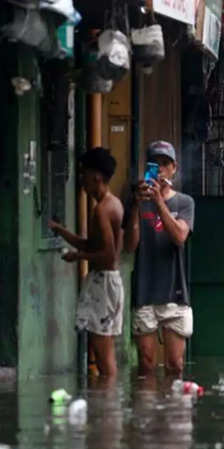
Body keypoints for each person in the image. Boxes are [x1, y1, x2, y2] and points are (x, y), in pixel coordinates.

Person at [49, 147, 124, 377]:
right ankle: (107, 408)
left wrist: (77, 257)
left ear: (96, 177)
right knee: (104, 352)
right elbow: (92, 245)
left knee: (104, 357)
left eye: (84, 174)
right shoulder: (113, 204)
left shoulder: (103, 210)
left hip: (103, 283)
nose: (81, 180)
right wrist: (61, 231)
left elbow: (108, 256)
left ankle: (107, 408)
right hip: (107, 283)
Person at [124, 141, 195, 377]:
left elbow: (180, 237)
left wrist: (158, 202)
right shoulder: (135, 199)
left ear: (174, 168)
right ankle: (147, 412)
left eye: (166, 164)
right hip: (145, 292)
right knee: (146, 365)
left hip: (175, 292)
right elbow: (129, 245)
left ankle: (174, 412)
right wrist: (135, 204)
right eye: (156, 164)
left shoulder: (184, 202)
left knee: (175, 365)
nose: (161, 169)